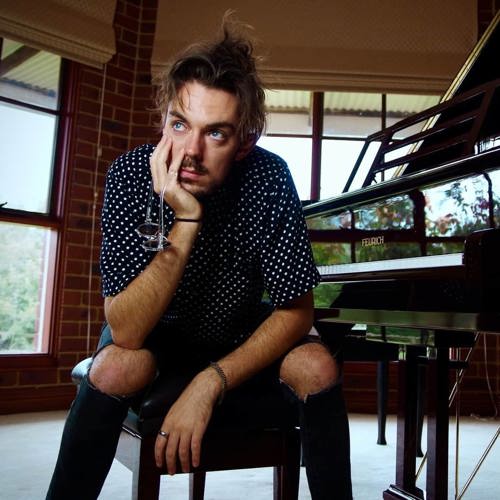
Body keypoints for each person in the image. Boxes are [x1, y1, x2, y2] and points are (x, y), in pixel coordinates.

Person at [46, 13, 352, 500]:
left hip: (237, 331)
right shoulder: (130, 176)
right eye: (179, 124)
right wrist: (184, 224)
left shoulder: (270, 177)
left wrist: (210, 382)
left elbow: (298, 310)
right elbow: (125, 330)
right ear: (164, 117)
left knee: (317, 366)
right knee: (113, 366)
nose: (189, 151)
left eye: (215, 134)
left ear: (245, 142)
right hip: (156, 333)